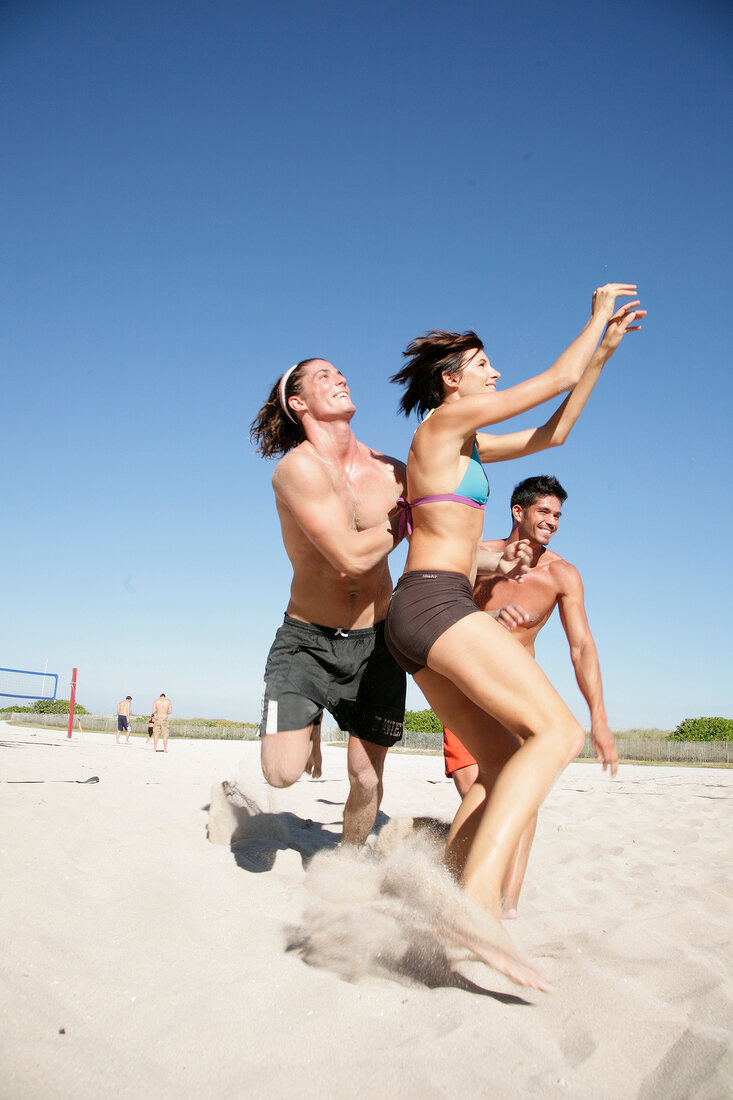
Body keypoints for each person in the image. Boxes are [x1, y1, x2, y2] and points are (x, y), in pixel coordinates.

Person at [385, 284, 644, 990]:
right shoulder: (443, 423)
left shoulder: (464, 442)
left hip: (416, 613)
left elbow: (552, 433)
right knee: (558, 736)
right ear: (453, 380)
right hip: (436, 602)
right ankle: (474, 908)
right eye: (484, 365)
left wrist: (603, 356)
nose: (493, 373)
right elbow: (552, 379)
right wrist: (593, 318)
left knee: (500, 770)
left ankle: (439, 898)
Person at [249, 358, 529, 846]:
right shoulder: (295, 471)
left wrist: (497, 563)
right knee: (280, 772)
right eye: (322, 377)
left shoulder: (395, 474)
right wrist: (408, 514)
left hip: (377, 638)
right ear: (299, 403)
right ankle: (300, 714)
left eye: (340, 373)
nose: (339, 379)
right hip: (307, 641)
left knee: (367, 777)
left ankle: (350, 863)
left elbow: (437, 542)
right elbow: (349, 557)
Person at [443, 474, 618, 918]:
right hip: (466, 689)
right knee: (478, 792)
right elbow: (440, 606)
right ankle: (454, 884)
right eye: (545, 511)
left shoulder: (562, 574)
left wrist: (598, 716)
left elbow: (582, 646)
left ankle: (507, 906)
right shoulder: (478, 556)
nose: (553, 522)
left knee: (521, 788)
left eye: (558, 515)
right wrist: (489, 619)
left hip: (519, 694)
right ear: (518, 512)